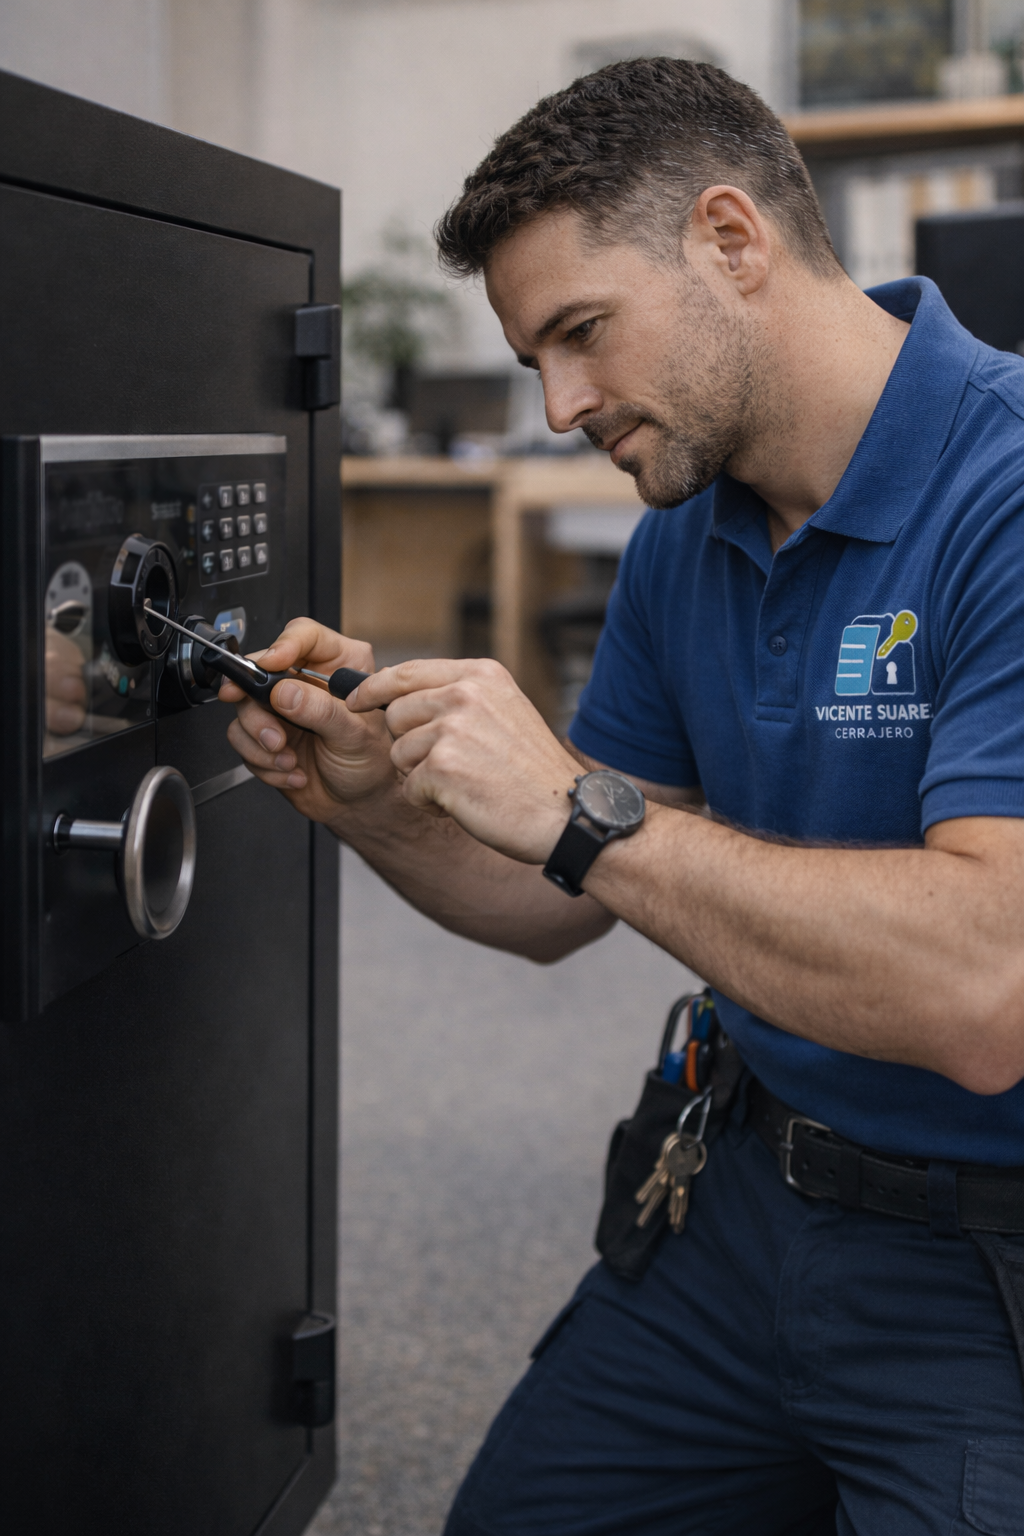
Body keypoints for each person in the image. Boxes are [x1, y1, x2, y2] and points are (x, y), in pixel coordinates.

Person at [225, 59, 1024, 1536]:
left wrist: (585, 811)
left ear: (732, 239)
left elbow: (992, 988)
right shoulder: (685, 524)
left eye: (581, 335)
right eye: (534, 357)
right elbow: (551, 901)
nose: (559, 405)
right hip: (744, 1193)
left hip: (989, 1257)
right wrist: (374, 805)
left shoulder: (1010, 488)